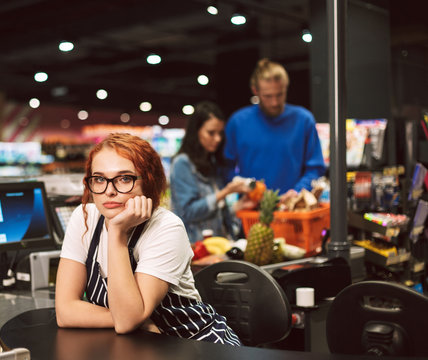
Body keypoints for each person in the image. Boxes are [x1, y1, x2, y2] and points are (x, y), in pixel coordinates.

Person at [55, 133, 241, 346]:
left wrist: (117, 234)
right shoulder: (84, 218)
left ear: (148, 182)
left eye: (124, 178)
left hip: (196, 345)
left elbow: (126, 322)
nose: (109, 191)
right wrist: (136, 321)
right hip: (140, 345)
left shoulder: (167, 227)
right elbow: (65, 311)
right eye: (99, 179)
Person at [224, 58, 326, 204]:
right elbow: (225, 168)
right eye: (268, 96)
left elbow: (315, 167)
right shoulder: (238, 122)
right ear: (255, 91)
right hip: (251, 211)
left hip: (293, 209)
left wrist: (297, 192)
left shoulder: (303, 120)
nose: (275, 102)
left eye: (280, 94)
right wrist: (245, 188)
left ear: (286, 87)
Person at [170, 101, 248, 243]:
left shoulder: (211, 162)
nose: (217, 139)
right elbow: (187, 212)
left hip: (218, 246)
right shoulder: (182, 163)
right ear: (196, 131)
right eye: (211, 133)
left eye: (220, 133)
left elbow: (214, 213)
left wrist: (238, 206)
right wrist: (224, 192)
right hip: (196, 249)